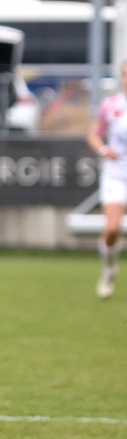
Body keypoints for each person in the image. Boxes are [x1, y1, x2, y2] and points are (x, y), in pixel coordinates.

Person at [87, 61, 127, 298]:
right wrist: (104, 150)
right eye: (124, 74)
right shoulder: (110, 106)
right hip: (116, 173)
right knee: (112, 228)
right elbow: (93, 134)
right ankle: (109, 269)